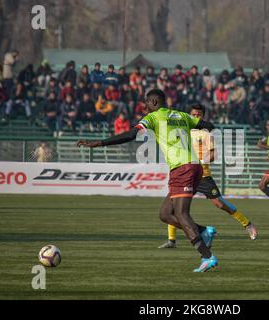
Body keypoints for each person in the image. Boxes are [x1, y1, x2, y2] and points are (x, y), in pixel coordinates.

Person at [77, 89, 219, 272]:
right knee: (166, 213)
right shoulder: (182, 114)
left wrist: (98, 143)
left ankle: (207, 256)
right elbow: (208, 125)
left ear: (153, 101)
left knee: (182, 215)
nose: (144, 106)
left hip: (182, 168)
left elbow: (130, 135)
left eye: (146, 103)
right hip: (194, 166)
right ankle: (203, 231)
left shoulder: (153, 117)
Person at [158, 104, 257, 249]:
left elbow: (213, 154)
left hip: (202, 174)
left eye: (198, 115)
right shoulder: (183, 131)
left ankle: (247, 224)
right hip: (185, 174)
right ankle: (171, 240)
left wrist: (200, 161)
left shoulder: (206, 134)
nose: (195, 117)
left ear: (203, 117)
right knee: (174, 207)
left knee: (219, 204)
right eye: (193, 115)